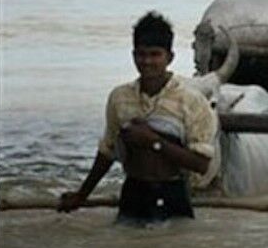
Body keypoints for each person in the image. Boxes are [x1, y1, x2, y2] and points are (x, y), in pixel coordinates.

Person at [58, 12, 217, 224]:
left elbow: (201, 164)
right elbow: (108, 151)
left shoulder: (191, 101)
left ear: (170, 57)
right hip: (133, 192)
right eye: (141, 55)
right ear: (133, 55)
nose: (147, 62)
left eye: (155, 54)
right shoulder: (120, 98)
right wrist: (82, 195)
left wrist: (153, 142)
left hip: (173, 193)